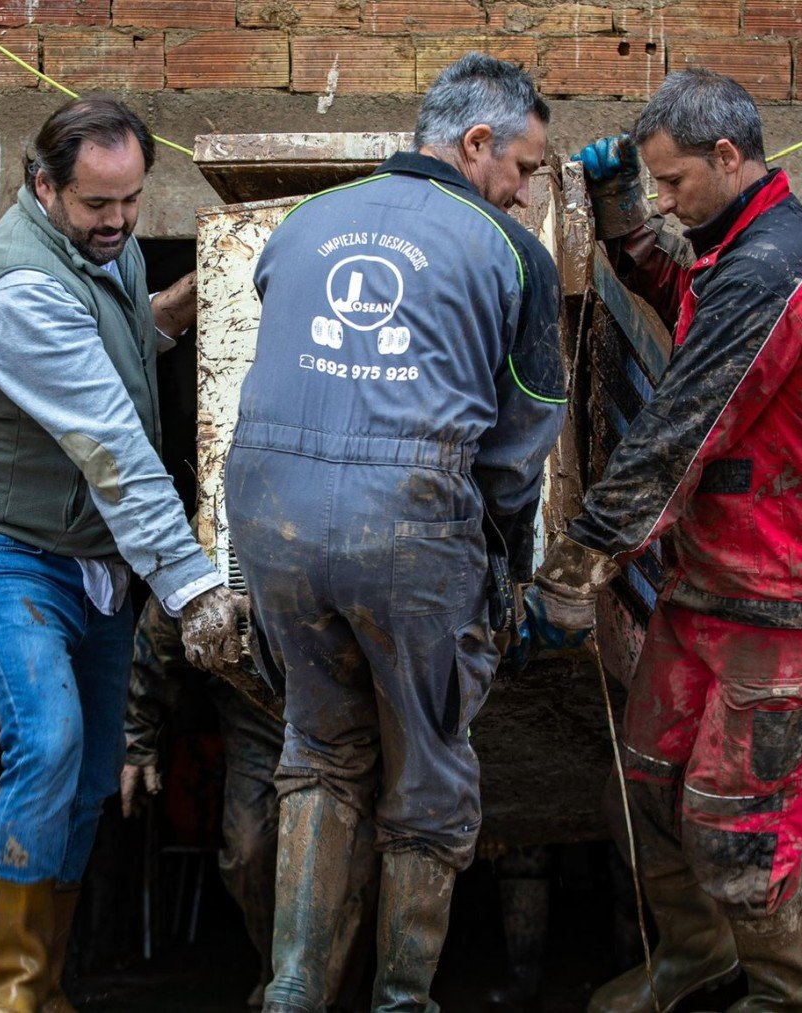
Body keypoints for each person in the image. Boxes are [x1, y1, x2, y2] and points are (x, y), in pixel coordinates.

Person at [225, 52, 565, 1013]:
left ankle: (291, 988)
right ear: (475, 144)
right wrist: (499, 561)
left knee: (321, 750)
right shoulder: (511, 253)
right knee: (427, 762)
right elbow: (523, 439)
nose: (528, 190)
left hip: (269, 513)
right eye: (526, 168)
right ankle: (402, 999)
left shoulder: (301, 224)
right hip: (408, 526)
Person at [534, 68, 802, 1013]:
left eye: (673, 183)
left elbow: (680, 426)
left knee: (740, 832)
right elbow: (684, 286)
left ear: (729, 157)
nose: (665, 201)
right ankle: (696, 956)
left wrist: (577, 564)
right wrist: (615, 211)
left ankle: (781, 994)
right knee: (642, 791)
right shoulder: (739, 244)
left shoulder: (775, 269)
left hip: (791, 595)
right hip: (715, 579)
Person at [0, 95, 248, 1012]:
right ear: (42, 187)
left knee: (96, 764)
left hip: (89, 561)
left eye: (132, 200)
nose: (119, 221)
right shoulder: (18, 288)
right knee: (49, 739)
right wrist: (194, 590)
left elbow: (118, 345)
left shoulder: (109, 251)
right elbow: (110, 444)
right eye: (98, 205)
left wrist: (186, 304)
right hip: (3, 545)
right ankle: (9, 996)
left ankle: (49, 984)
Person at [120, 600, 377, 1009]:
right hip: (253, 714)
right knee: (248, 851)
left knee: (352, 868)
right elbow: (162, 626)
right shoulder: (222, 551)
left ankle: (322, 998)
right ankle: (277, 974)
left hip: (340, 715)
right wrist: (139, 740)